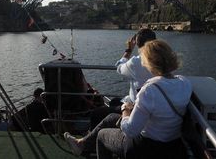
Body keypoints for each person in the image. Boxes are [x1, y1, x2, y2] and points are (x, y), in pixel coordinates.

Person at [64, 39, 192, 159]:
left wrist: (125, 110)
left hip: (146, 146)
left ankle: (84, 145)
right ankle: (81, 144)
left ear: (150, 63)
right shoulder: (184, 82)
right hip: (172, 143)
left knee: (102, 135)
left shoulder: (150, 89)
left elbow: (130, 130)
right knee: (112, 118)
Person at [89, 29, 156, 129]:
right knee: (114, 102)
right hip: (154, 106)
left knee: (96, 113)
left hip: (137, 108)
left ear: (137, 43)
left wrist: (129, 49)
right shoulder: (162, 60)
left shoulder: (136, 62)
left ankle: (94, 139)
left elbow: (119, 67)